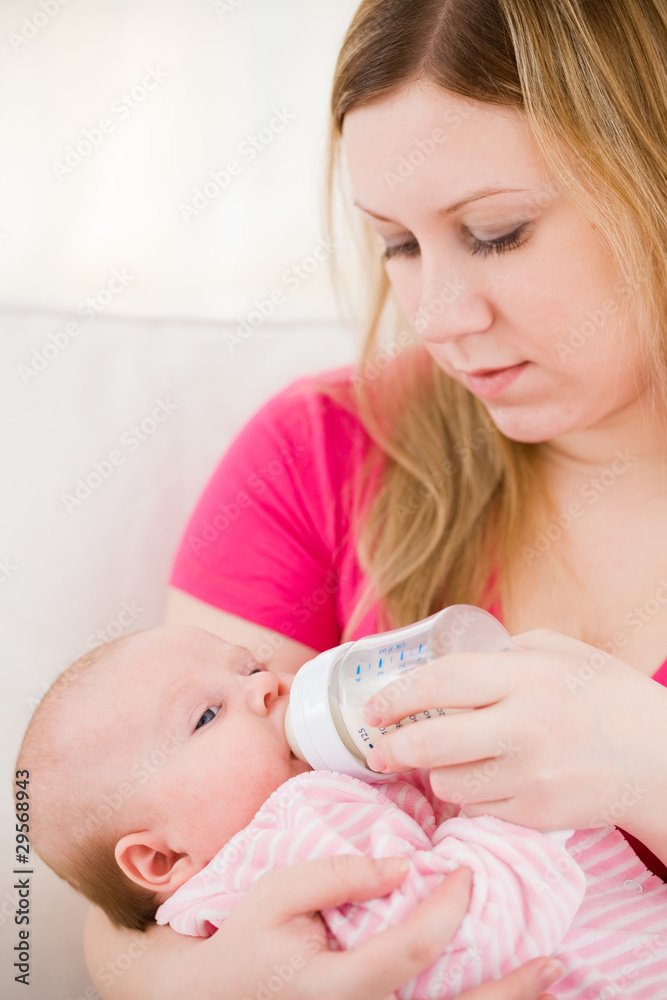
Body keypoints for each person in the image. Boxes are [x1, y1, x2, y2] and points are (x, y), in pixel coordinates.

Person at [82, 1, 667, 997]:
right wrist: (228, 985)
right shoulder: (319, 454)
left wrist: (641, 761)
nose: (437, 315)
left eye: (496, 233)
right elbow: (131, 901)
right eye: (397, 244)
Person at [21, 624, 666, 998]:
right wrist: (505, 787)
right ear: (160, 859)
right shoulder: (295, 823)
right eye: (206, 715)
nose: (266, 685)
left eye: (250, 667)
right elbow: (452, 936)